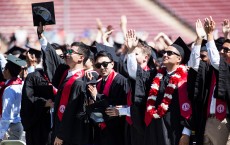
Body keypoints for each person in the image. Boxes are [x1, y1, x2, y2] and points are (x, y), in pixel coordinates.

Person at [37, 24, 91, 145]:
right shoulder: (64, 72)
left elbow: (72, 111)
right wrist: (41, 36)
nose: (67, 53)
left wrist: (61, 135)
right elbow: (52, 55)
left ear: (81, 58)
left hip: (72, 134)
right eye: (67, 51)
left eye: (71, 51)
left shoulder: (83, 80)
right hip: (59, 128)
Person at [144, 36, 192, 145]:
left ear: (179, 59)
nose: (165, 55)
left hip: (174, 129)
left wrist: (186, 133)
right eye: (165, 52)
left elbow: (189, 107)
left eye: (170, 53)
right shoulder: (157, 76)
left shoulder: (185, 79)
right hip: (155, 126)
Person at [87, 48, 130, 145]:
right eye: (98, 65)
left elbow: (119, 104)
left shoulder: (120, 81)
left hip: (116, 130)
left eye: (105, 64)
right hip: (101, 129)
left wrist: (96, 96)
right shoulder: (99, 81)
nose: (102, 67)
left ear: (112, 64)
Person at [198, 16, 230, 145]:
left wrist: (210, 35)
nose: (222, 52)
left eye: (226, 50)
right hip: (210, 120)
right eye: (221, 49)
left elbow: (217, 61)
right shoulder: (215, 71)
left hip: (223, 122)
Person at [0, 55, 26, 141]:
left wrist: (1, 133)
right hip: (19, 124)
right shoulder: (21, 84)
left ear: (7, 71)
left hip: (11, 127)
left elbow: (6, 112)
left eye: (4, 69)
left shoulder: (9, 89)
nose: (3, 71)